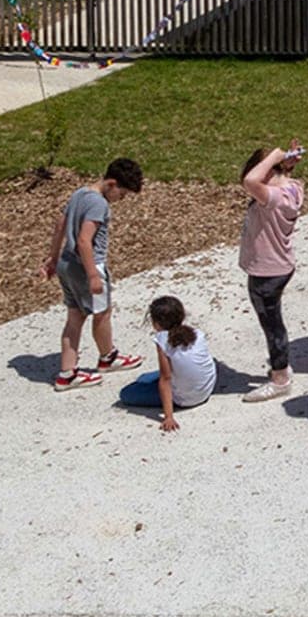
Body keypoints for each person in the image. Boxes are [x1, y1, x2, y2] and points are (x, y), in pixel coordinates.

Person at [43, 157, 145, 391]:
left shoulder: (80, 193)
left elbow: (60, 225)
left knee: (75, 316)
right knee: (102, 312)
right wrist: (93, 276)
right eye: (123, 193)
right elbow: (84, 241)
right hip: (86, 266)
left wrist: (53, 258)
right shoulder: (99, 204)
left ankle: (67, 373)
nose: (122, 198)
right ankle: (108, 358)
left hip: (66, 264)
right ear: (111, 184)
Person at [238, 144, 306, 404]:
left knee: (273, 326)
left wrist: (275, 158)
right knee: (274, 323)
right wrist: (283, 164)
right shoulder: (292, 188)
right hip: (281, 264)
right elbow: (270, 178)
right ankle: (281, 368)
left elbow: (249, 180)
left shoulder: (271, 197)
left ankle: (280, 379)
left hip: (266, 271)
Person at [115, 296, 214, 432]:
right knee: (155, 375)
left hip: (185, 399)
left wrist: (168, 416)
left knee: (127, 393)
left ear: (156, 322)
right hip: (205, 390)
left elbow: (165, 378)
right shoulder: (198, 334)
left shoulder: (162, 340)